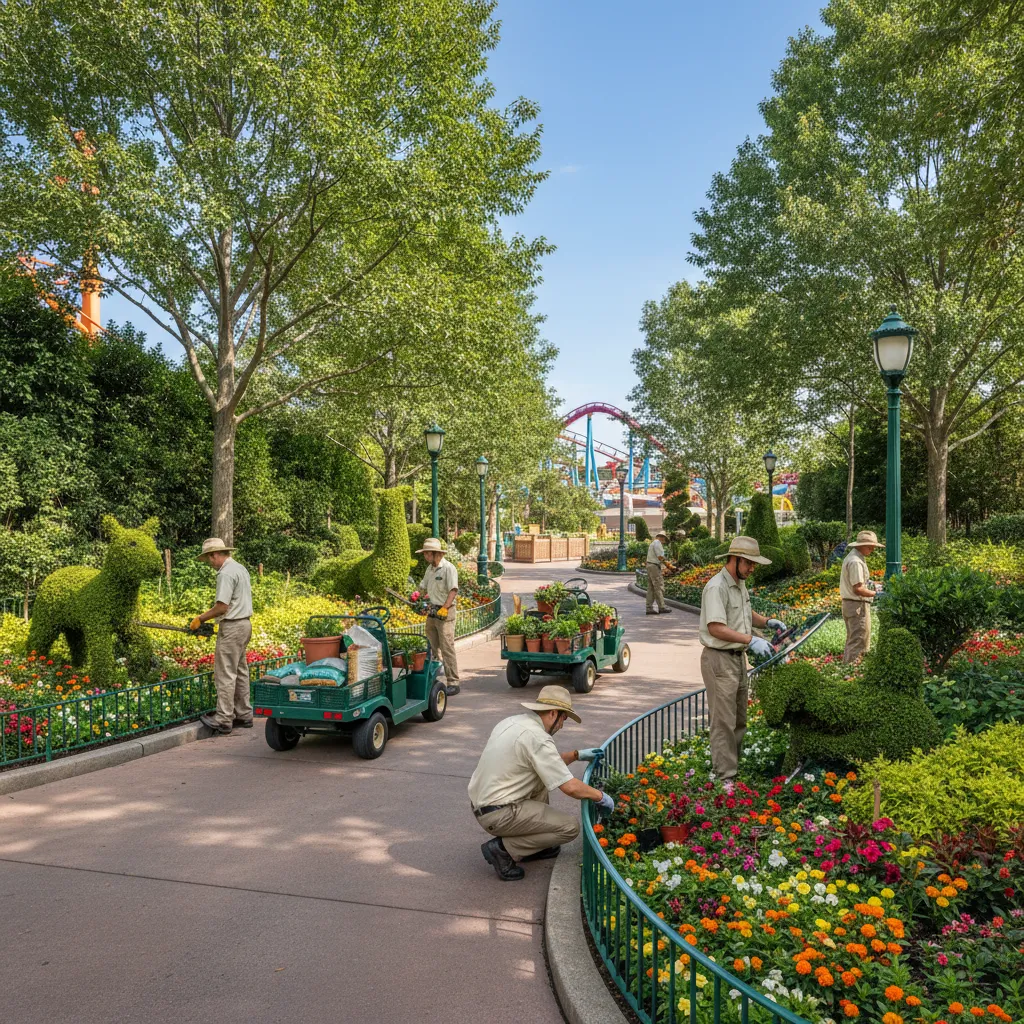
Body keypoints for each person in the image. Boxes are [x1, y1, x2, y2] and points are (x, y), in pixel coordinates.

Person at [469, 685, 611, 881]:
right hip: (499, 813)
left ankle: (534, 846)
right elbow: (569, 787)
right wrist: (602, 797)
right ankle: (503, 850)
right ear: (553, 713)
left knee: (542, 779)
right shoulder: (538, 738)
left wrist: (577, 755)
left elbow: (550, 765)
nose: (562, 724)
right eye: (564, 718)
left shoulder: (513, 721)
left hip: (484, 804)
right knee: (570, 827)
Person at [698, 536, 785, 788]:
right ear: (735, 560)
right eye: (749, 563)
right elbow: (715, 628)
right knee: (723, 721)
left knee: (738, 719)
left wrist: (767, 622)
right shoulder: (717, 587)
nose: (752, 568)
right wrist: (751, 640)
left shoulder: (739, 583)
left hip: (737, 659)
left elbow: (746, 614)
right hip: (719, 659)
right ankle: (725, 779)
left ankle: (730, 771)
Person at [194, 538, 253, 736]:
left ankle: (224, 719)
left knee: (225, 673)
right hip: (245, 624)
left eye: (209, 559)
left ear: (215, 555)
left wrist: (200, 619)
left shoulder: (225, 573)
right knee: (241, 670)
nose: (209, 563)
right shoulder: (240, 568)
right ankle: (244, 714)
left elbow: (222, 606)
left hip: (232, 626)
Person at [417, 537, 461, 696]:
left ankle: (453, 682)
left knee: (447, 646)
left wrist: (445, 607)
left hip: (445, 611)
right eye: (424, 554)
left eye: (427, 554)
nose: (425, 557)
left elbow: (453, 590)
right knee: (431, 645)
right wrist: (416, 597)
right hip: (432, 610)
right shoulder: (430, 569)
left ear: (436, 554)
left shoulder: (449, 568)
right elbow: (423, 587)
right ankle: (434, 677)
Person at [840, 530, 883, 664]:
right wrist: (878, 594)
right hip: (856, 606)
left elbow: (862, 583)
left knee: (853, 639)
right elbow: (858, 588)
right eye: (869, 546)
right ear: (861, 545)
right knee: (859, 641)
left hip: (851, 605)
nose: (872, 549)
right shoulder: (856, 561)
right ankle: (851, 673)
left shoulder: (855, 557)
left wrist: (876, 585)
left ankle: (847, 669)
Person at [645, 530, 672, 615]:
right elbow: (660, 556)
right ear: (662, 537)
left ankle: (649, 608)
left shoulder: (653, 543)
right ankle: (662, 607)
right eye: (664, 538)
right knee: (658, 586)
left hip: (649, 565)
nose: (664, 540)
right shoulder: (658, 543)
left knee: (651, 588)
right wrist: (669, 565)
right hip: (654, 566)